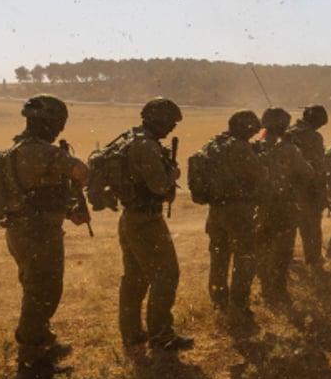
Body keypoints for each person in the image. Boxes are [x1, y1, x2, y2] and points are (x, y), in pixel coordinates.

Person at [5, 94, 89, 379]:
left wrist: (69, 212)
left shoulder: (19, 148)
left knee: (36, 289)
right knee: (42, 293)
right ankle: (31, 362)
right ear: (49, 122)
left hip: (24, 231)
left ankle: (42, 341)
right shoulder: (40, 151)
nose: (59, 129)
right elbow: (80, 171)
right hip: (38, 234)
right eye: (57, 123)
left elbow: (39, 195)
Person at [117, 97, 192, 352]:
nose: (171, 128)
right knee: (166, 275)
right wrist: (174, 173)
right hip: (146, 220)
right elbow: (159, 185)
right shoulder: (147, 147)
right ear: (159, 119)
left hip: (131, 217)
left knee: (135, 278)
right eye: (170, 122)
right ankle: (161, 334)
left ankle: (132, 332)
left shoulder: (132, 140)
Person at [203, 110, 266, 320]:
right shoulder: (240, 147)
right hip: (238, 210)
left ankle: (219, 301)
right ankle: (239, 306)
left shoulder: (214, 144)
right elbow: (260, 174)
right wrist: (257, 154)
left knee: (219, 257)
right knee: (245, 257)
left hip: (216, 210)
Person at [254, 107, 313, 306]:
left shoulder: (254, 147)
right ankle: (278, 290)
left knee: (262, 247)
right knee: (282, 250)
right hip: (283, 207)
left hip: (259, 207)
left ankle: (264, 287)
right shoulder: (288, 149)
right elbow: (308, 173)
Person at [285, 104, 328, 273]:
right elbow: (318, 165)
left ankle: (286, 258)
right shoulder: (314, 137)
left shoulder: (287, 131)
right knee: (311, 225)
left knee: (288, 226)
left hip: (287, 187)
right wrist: (321, 188)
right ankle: (313, 258)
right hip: (307, 187)